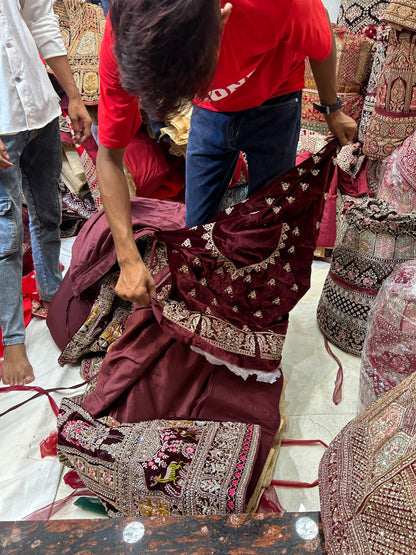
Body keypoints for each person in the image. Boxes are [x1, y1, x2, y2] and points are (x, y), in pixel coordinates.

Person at [96, 0, 358, 308]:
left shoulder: (276, 5)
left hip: (276, 97)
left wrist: (332, 109)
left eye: (192, 79)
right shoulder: (127, 38)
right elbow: (110, 157)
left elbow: (321, 33)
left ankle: (254, 311)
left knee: (267, 226)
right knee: (195, 229)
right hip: (210, 113)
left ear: (222, 19)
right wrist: (127, 258)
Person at [0, 0, 92, 386]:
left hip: (40, 108)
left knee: (48, 211)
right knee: (6, 235)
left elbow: (40, 19)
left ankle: (54, 294)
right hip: (2, 121)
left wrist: (72, 94)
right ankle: (13, 341)